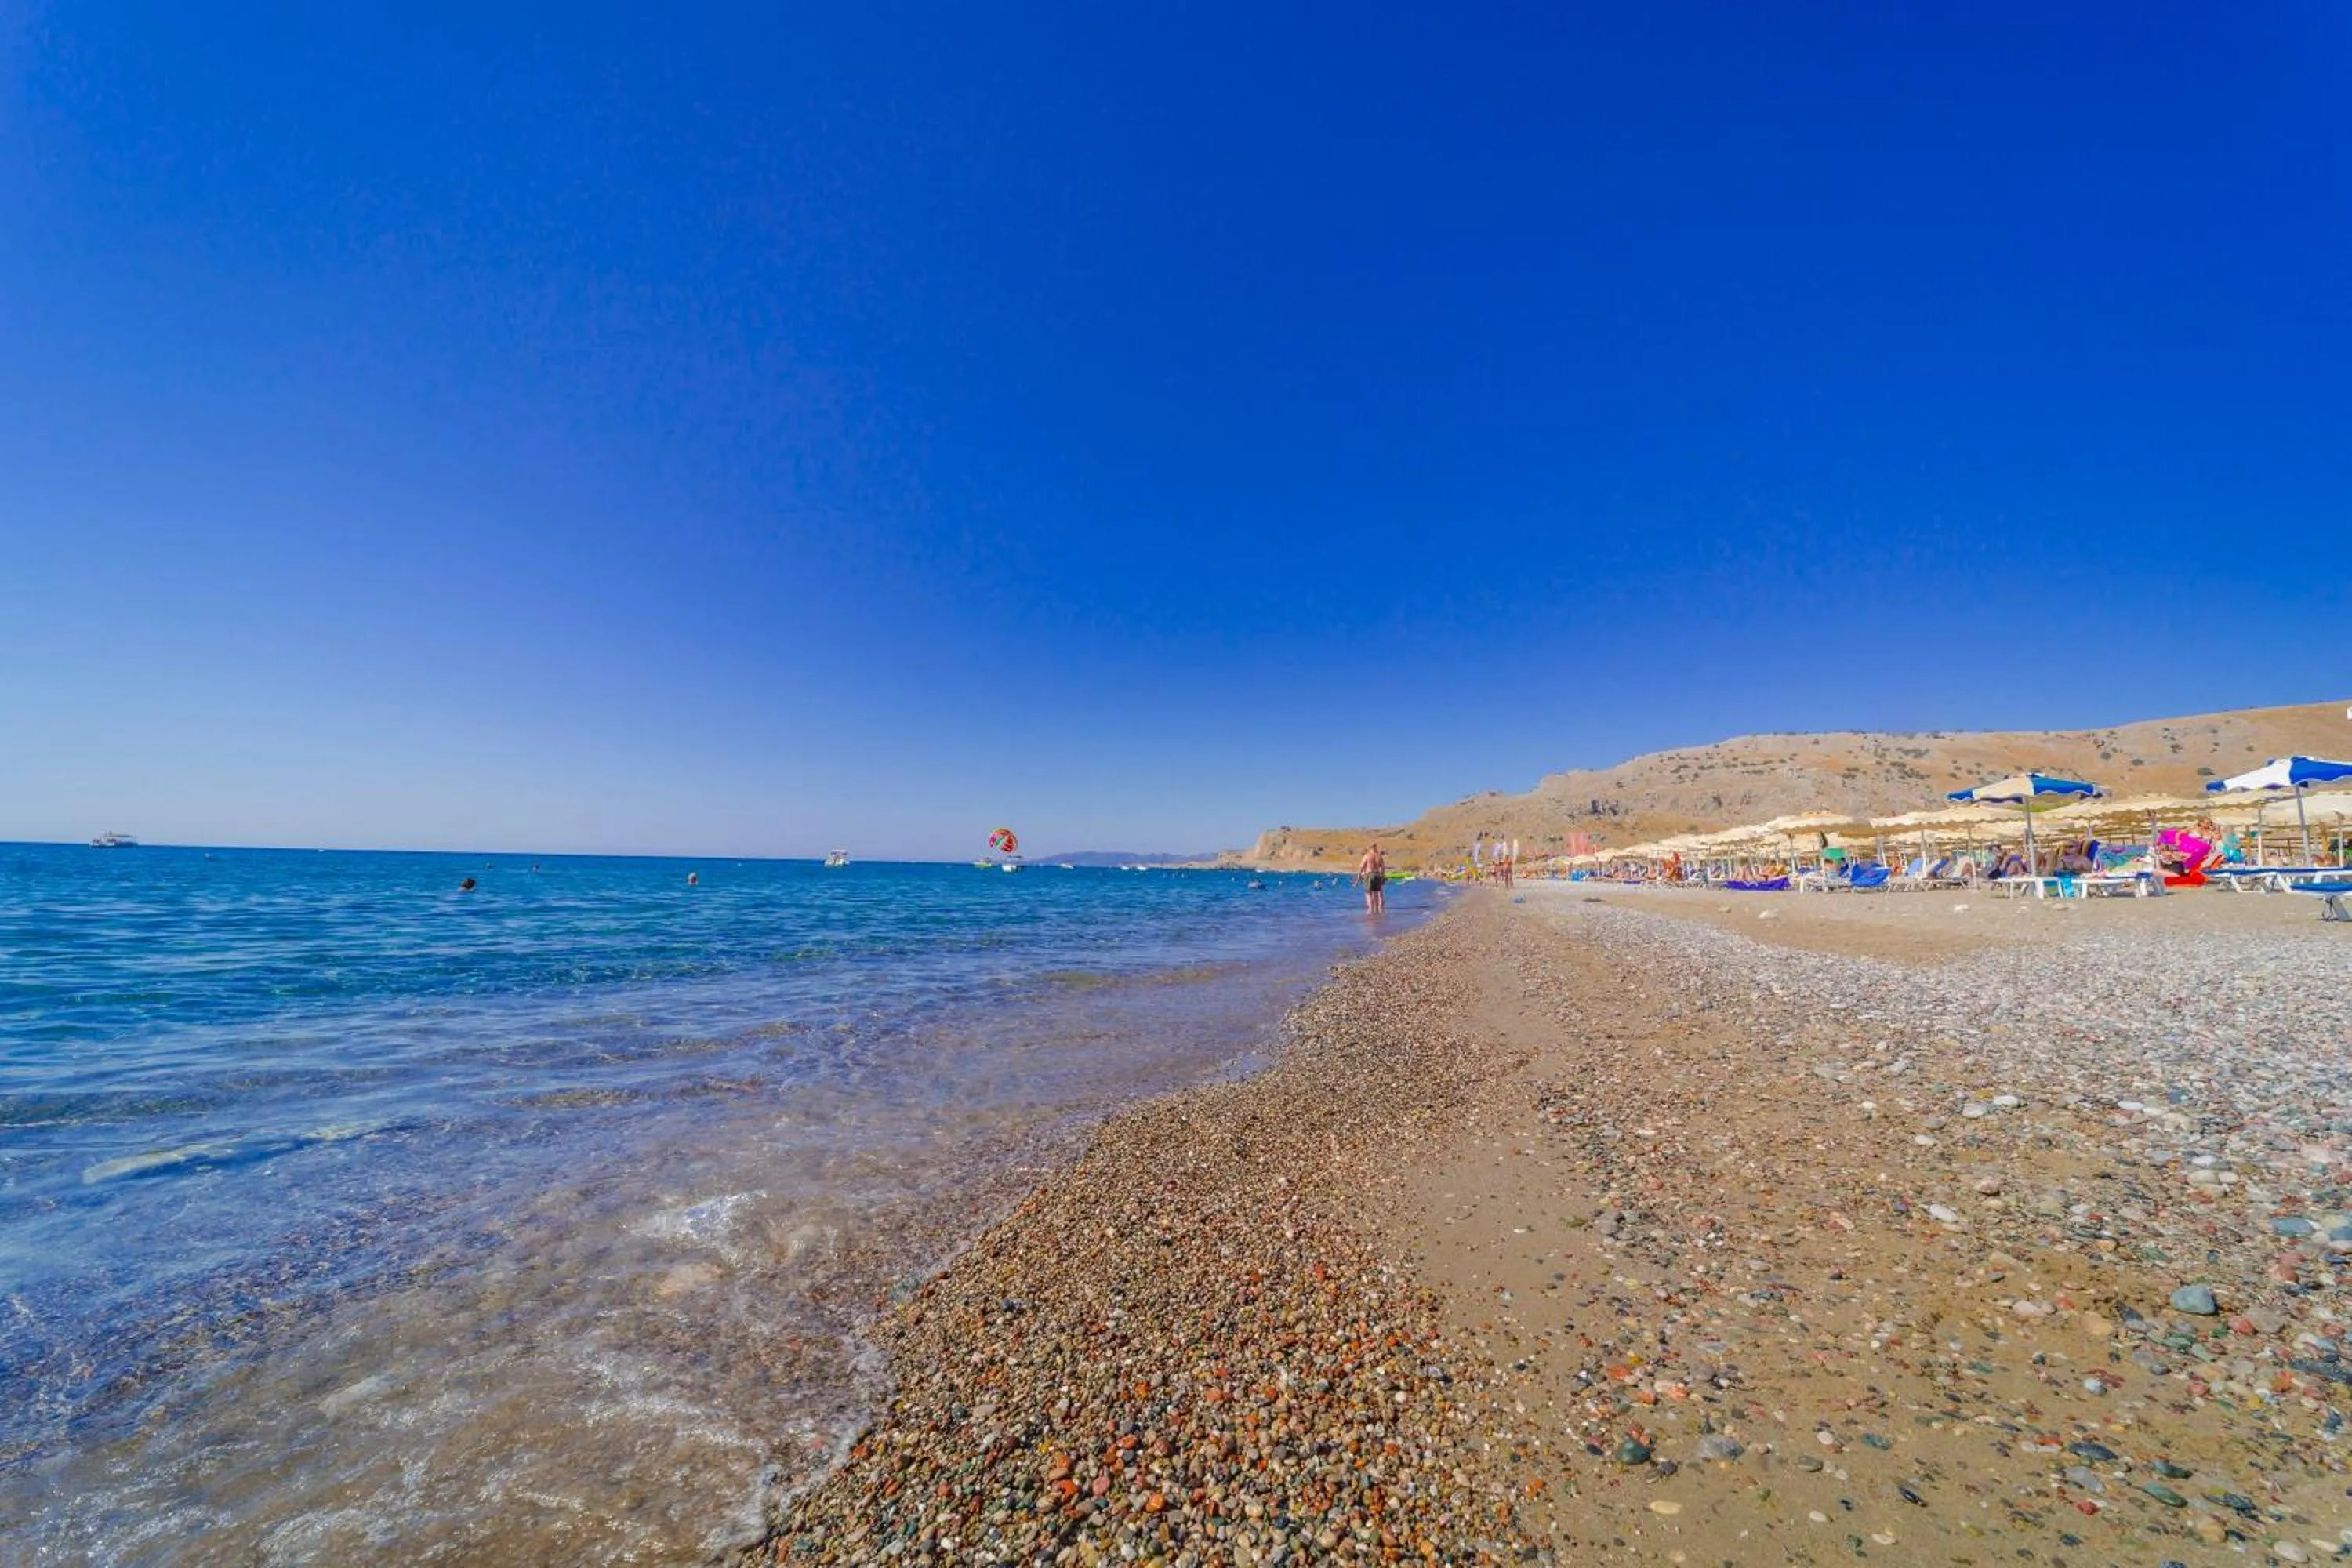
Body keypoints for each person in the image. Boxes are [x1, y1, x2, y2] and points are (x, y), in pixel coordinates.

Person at [1358, 841, 1388, 914]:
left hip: (1369, 874)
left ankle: (1370, 910)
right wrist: (1383, 877)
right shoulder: (1379, 856)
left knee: (1368, 893)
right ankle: (1378, 910)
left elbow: (1361, 866)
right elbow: (1383, 868)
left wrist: (1359, 875)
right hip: (1377, 875)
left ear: (1369, 847)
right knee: (1376, 893)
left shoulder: (1367, 856)